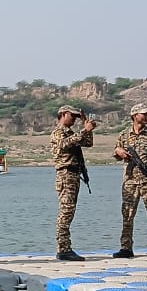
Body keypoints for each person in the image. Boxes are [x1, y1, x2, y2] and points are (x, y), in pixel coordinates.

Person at [112, 103, 147, 260]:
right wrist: (119, 152)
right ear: (135, 116)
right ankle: (126, 248)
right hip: (130, 181)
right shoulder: (124, 135)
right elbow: (116, 151)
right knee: (127, 214)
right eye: (144, 113)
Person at [51, 105, 96, 261]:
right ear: (64, 114)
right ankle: (63, 248)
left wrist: (87, 127)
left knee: (69, 211)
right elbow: (65, 144)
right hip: (65, 174)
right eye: (73, 116)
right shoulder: (58, 133)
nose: (75, 119)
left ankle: (65, 247)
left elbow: (88, 143)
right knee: (66, 211)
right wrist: (84, 130)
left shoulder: (71, 133)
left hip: (74, 175)